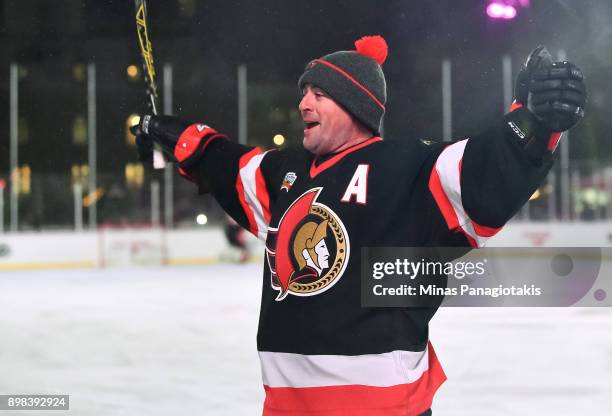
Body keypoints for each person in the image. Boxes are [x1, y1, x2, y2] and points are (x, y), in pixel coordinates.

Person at [132, 36, 586, 415]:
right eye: (304, 92)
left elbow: (487, 172)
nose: (302, 102)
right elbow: (226, 162)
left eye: (319, 94)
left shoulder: (409, 167)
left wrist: (535, 123)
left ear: (354, 105)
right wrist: (172, 135)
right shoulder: (284, 173)